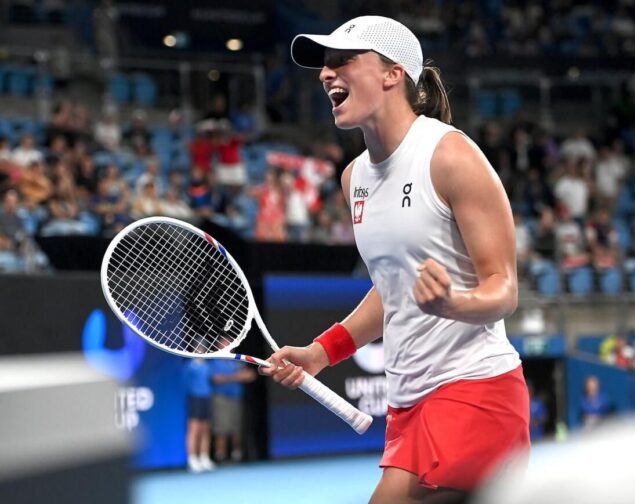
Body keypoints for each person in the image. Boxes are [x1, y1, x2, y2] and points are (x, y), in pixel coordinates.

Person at [260, 16, 529, 503]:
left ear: (392, 74)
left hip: (475, 389)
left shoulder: (450, 156)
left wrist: (454, 304)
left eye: (343, 60)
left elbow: (503, 288)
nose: (326, 73)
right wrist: (320, 353)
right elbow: (392, 289)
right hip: (408, 403)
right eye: (325, 64)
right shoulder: (353, 179)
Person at [210, 359, 256, 463]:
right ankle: (221, 456)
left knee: (237, 427)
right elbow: (216, 379)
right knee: (221, 427)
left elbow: (250, 375)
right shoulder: (215, 362)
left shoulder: (238, 361)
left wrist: (227, 378)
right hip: (221, 397)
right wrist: (238, 377)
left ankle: (236, 455)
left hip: (236, 397)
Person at [183, 356, 216, 473]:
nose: (201, 349)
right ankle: (192, 459)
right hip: (195, 398)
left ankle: (204, 457)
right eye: (198, 347)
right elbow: (185, 382)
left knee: (205, 429)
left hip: (206, 398)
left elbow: (212, 380)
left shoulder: (208, 365)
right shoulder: (189, 366)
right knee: (194, 429)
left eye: (203, 348)